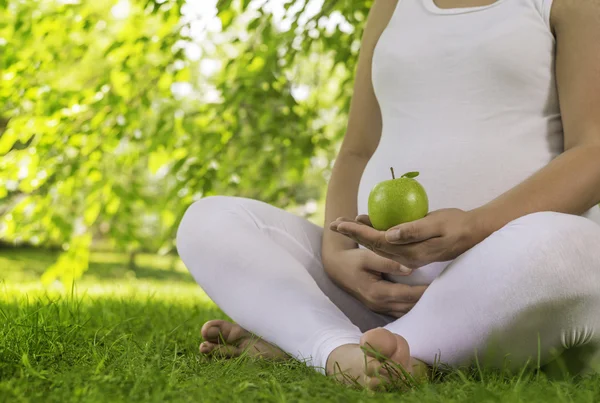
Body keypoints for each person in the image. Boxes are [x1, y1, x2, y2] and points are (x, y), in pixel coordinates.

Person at [176, 0, 600, 388]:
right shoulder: (393, 4)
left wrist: (473, 226)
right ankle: (346, 350)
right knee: (209, 221)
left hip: (508, 278)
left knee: (562, 243)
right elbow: (357, 149)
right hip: (379, 285)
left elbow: (593, 151)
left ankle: (339, 346)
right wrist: (338, 252)